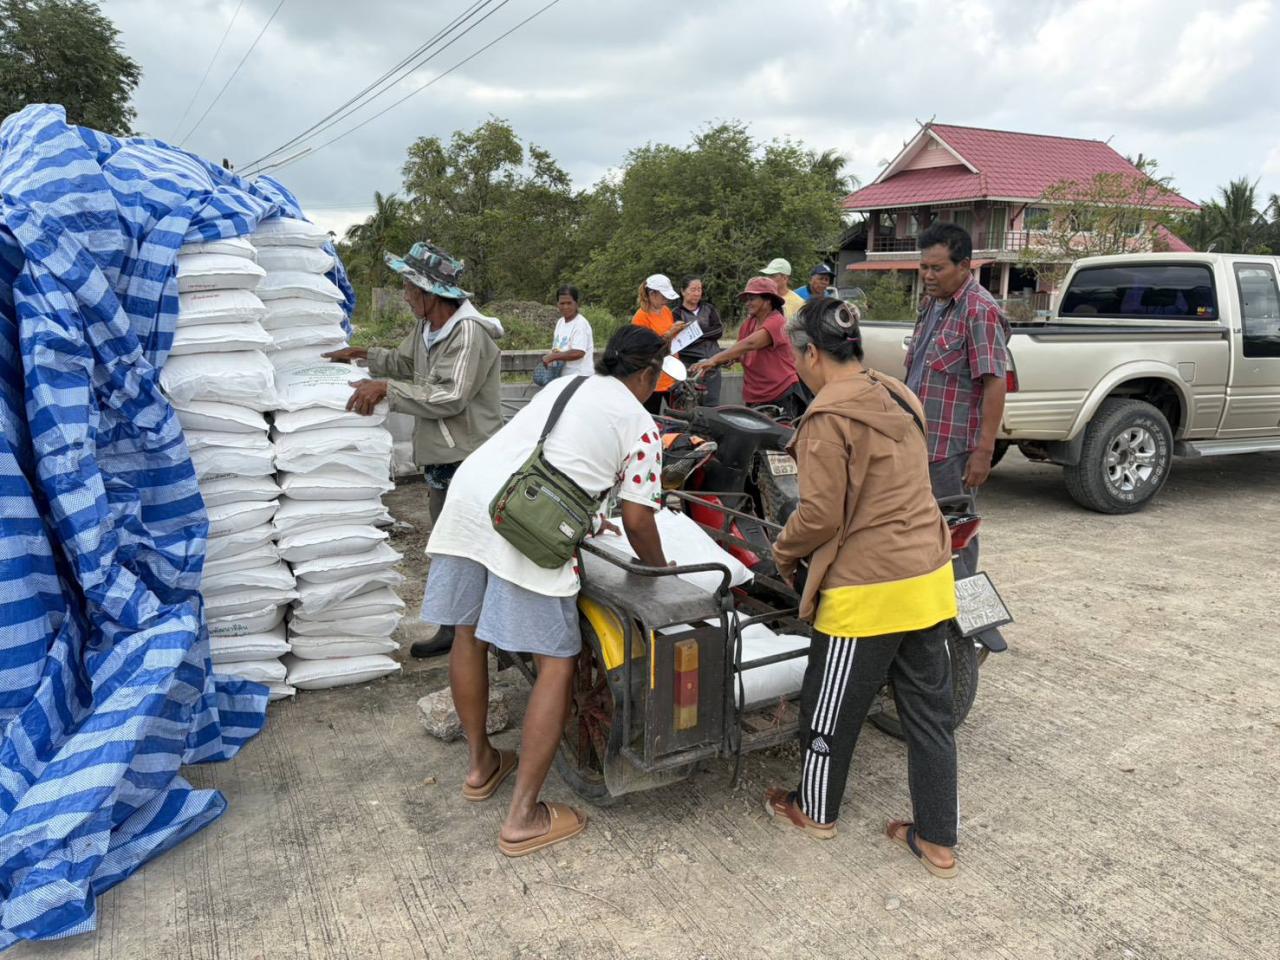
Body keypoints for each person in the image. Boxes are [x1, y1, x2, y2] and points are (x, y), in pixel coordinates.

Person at [420, 325, 675, 857]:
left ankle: (480, 765)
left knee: (467, 634)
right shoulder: (642, 425)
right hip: (522, 527)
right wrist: (661, 573)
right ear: (649, 373)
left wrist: (586, 517)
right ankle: (523, 817)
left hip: (473, 500)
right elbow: (639, 518)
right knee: (558, 662)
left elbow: (553, 454)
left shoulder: (565, 385)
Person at [764, 296, 960, 878]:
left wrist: (783, 549)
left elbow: (820, 516)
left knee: (829, 708)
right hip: (927, 574)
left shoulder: (827, 419)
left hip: (868, 588)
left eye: (798, 356)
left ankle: (814, 809)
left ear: (812, 353)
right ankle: (937, 839)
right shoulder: (900, 393)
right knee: (930, 713)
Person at [325, 241, 503, 660]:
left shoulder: (468, 333)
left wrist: (386, 388)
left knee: (470, 546)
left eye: (409, 287)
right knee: (449, 544)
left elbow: (452, 395)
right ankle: (456, 626)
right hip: (443, 455)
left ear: (429, 293)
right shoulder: (429, 329)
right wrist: (364, 356)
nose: (404, 295)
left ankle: (473, 631)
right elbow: (407, 363)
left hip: (470, 456)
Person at [907, 223, 1010, 649]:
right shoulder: (933, 305)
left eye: (937, 267)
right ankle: (934, 619)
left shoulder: (978, 309)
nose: (928, 275)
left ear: (964, 265)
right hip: (919, 445)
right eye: (923, 267)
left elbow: (994, 383)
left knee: (957, 538)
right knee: (922, 536)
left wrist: (984, 451)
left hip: (953, 449)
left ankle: (975, 634)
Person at [690, 277, 808, 420]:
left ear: (768, 300)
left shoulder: (777, 322)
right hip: (755, 395)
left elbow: (750, 344)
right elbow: (742, 350)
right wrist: (729, 358)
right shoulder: (750, 323)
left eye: (752, 299)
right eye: (747, 299)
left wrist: (713, 360)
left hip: (779, 393)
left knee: (777, 440)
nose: (747, 303)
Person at [631, 273, 687, 414]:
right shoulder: (640, 317)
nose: (666, 300)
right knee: (652, 419)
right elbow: (644, 348)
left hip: (671, 374)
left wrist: (679, 330)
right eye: (663, 297)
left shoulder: (666, 311)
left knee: (678, 418)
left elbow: (669, 335)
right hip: (652, 378)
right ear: (652, 294)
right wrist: (670, 333)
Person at [670, 275, 725, 406]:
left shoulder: (709, 309)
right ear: (683, 291)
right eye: (693, 289)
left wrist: (695, 333)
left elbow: (718, 331)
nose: (696, 293)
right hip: (690, 365)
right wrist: (705, 331)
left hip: (712, 364)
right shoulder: (676, 313)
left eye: (699, 289)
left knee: (712, 403)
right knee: (689, 404)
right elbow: (681, 339)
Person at [538, 285, 594, 380]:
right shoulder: (560, 322)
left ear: (576, 304)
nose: (565, 307)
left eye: (569, 303)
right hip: (564, 377)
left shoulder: (580, 324)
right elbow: (558, 348)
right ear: (557, 304)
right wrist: (553, 355)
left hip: (580, 377)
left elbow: (579, 352)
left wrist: (552, 357)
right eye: (562, 303)